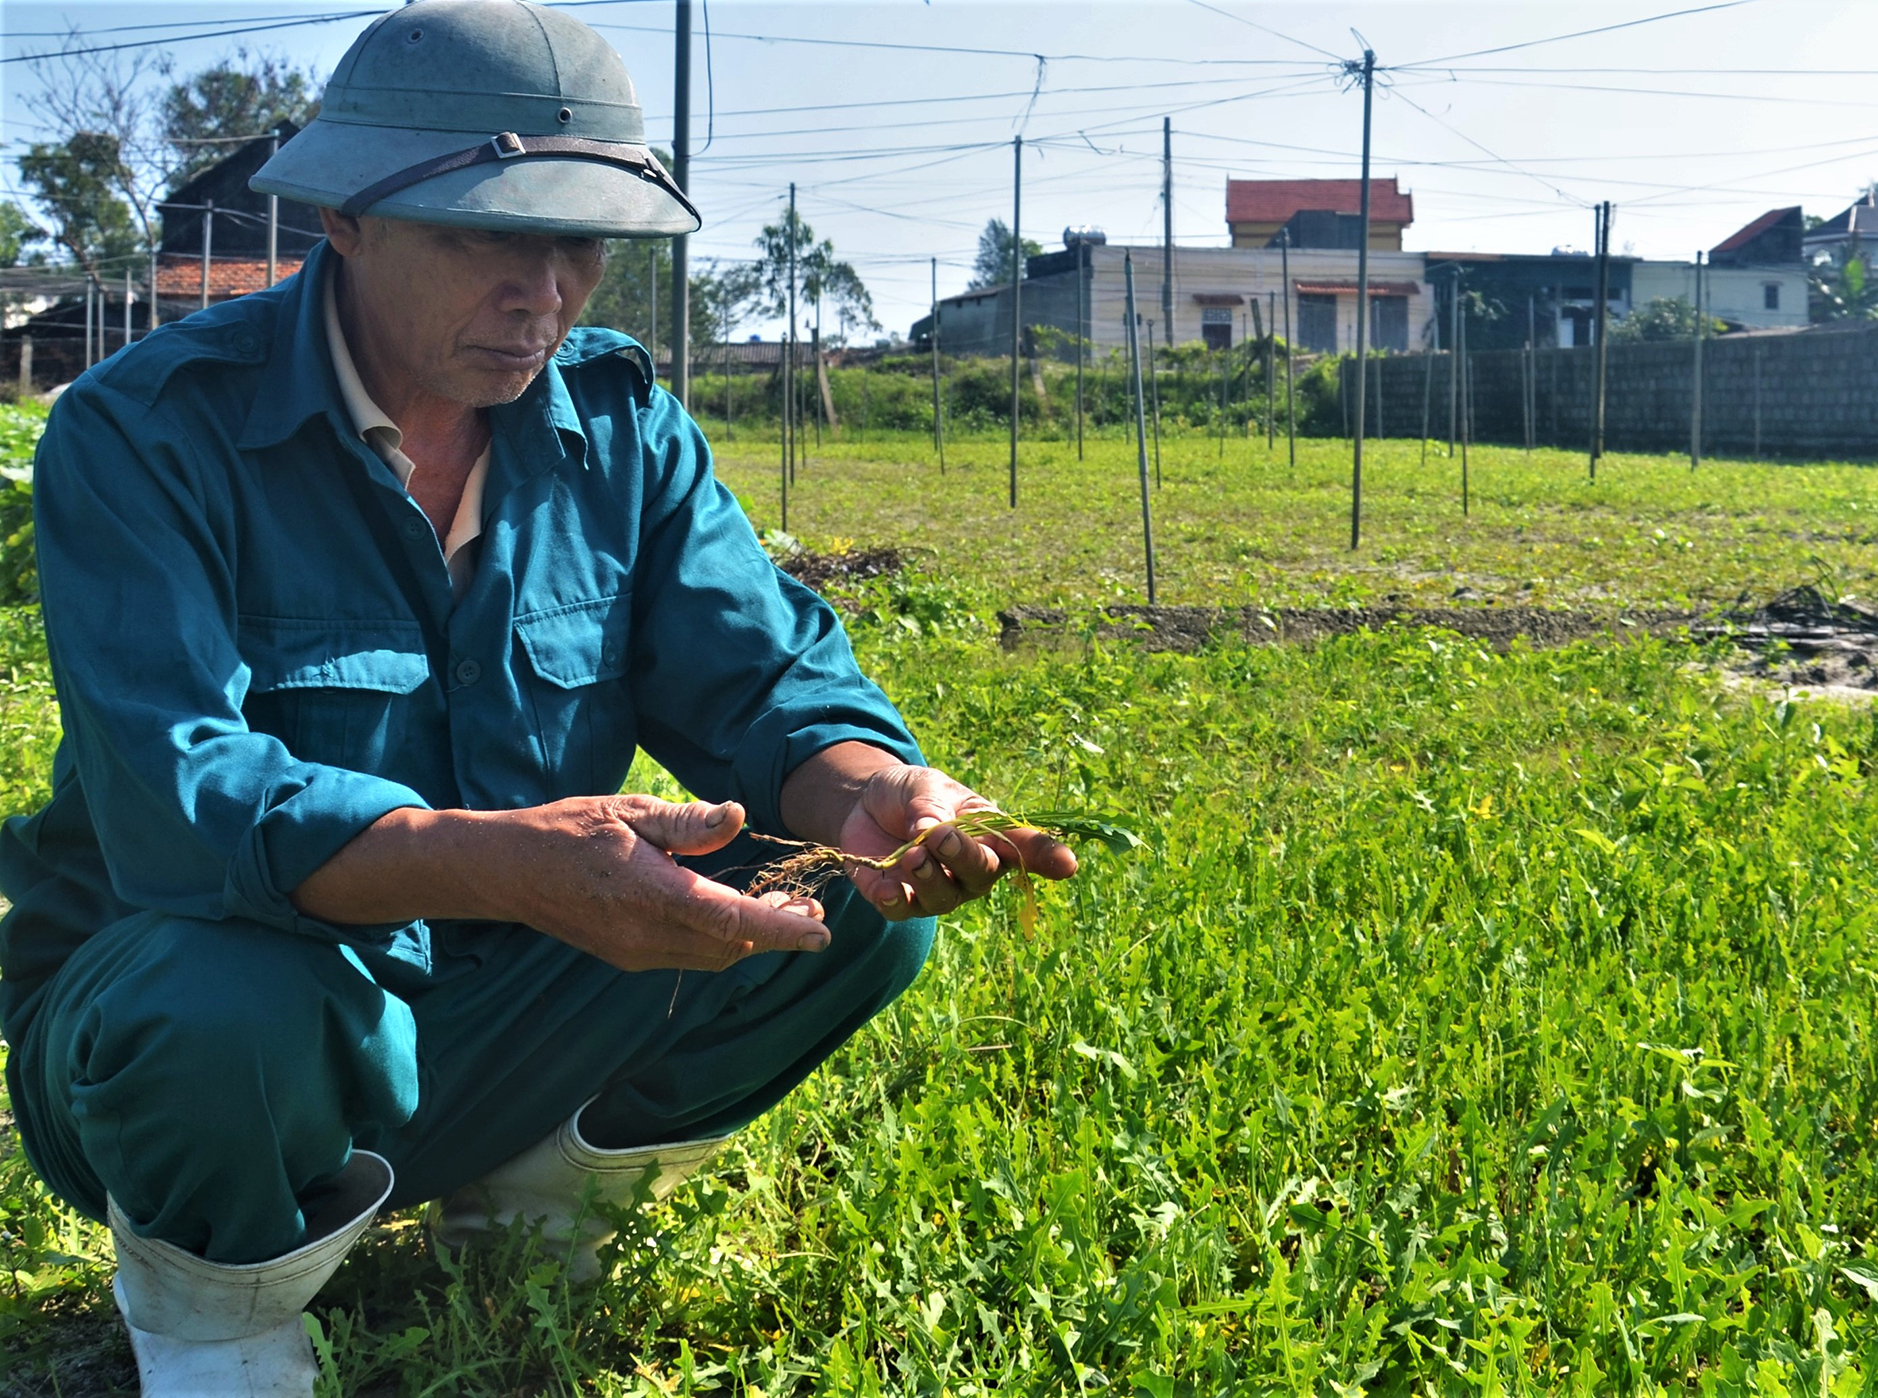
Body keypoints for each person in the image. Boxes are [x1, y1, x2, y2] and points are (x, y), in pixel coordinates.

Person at [0, 3, 1075, 1393]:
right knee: (223, 998)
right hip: (218, 1018)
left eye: (579, 240)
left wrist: (874, 791)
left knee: (844, 908)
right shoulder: (147, 433)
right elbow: (186, 804)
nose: (545, 289)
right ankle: (218, 1308)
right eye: (486, 235)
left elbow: (764, 683)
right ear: (344, 219)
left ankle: (521, 1207)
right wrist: (500, 865)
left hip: (506, 993)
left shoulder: (623, 433)